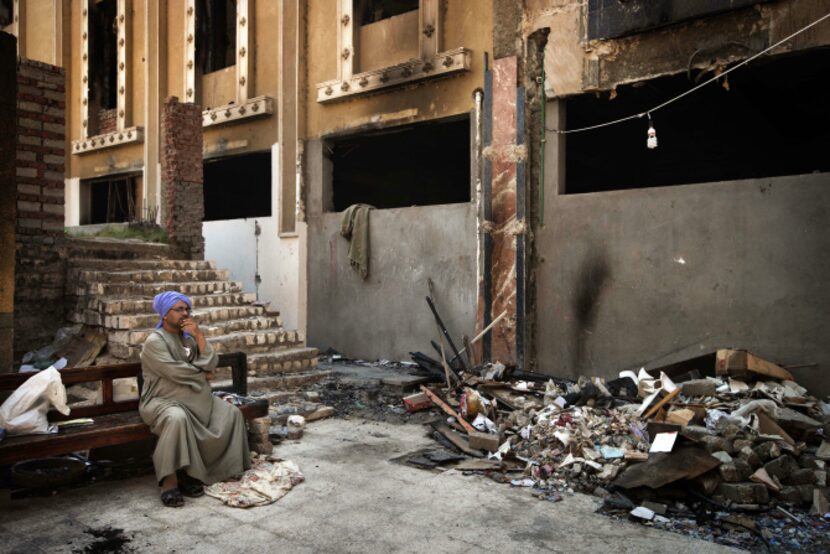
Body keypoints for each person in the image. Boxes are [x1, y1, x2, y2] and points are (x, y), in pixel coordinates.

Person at [139, 291, 250, 507]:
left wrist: (198, 335)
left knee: (231, 413)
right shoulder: (155, 342)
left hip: (194, 398)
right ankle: (169, 482)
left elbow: (212, 361)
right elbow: (176, 372)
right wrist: (204, 374)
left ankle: (200, 473)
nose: (185, 313)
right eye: (179, 309)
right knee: (177, 418)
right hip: (162, 401)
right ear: (164, 313)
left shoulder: (187, 338)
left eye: (187, 309)